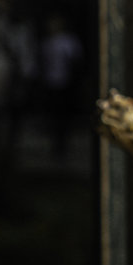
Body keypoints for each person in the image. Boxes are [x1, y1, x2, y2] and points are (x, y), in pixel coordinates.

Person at [39, 12, 85, 157]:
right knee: (53, 116)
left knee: (64, 116)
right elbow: (42, 63)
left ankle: (64, 145)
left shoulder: (68, 42)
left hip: (66, 84)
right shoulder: (47, 43)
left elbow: (76, 62)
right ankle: (55, 146)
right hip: (51, 83)